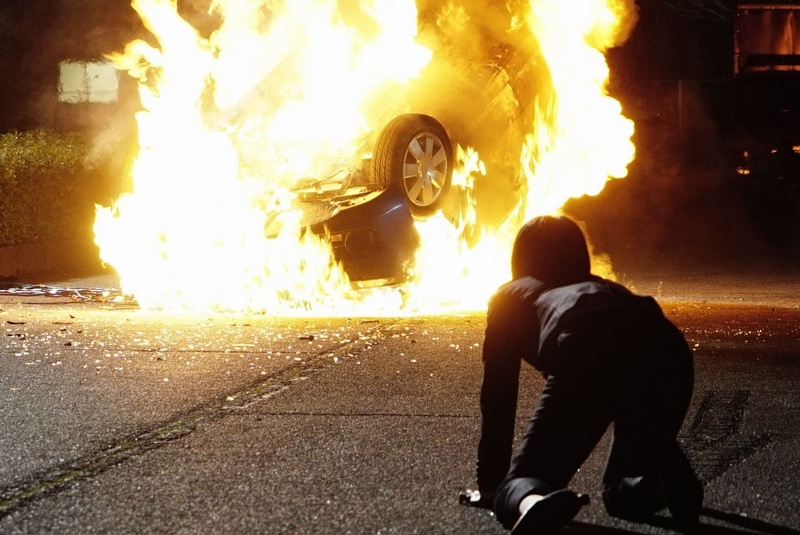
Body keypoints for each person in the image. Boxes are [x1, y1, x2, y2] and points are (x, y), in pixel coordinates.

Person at [459, 215, 703, 534]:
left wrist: (492, 485)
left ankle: (531, 502)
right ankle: (658, 477)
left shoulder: (510, 294)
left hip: (591, 346)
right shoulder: (605, 287)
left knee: (517, 486)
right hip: (667, 349)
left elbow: (499, 396)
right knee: (619, 495)